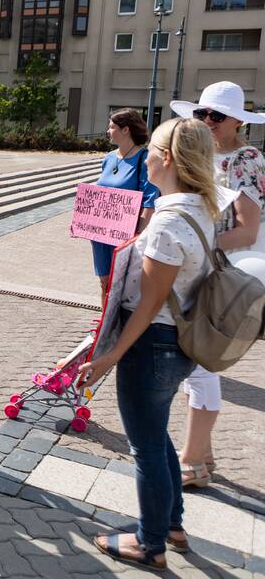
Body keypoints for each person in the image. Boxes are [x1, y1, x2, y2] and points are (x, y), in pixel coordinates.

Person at [78, 117, 218, 571]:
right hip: (174, 343)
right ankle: (172, 525)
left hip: (152, 345)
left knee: (146, 449)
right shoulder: (197, 209)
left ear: (167, 158)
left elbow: (149, 303)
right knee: (157, 439)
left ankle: (150, 542)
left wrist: (110, 356)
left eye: (154, 148)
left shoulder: (169, 221)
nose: (148, 156)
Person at [169, 81, 265, 489]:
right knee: (195, 358)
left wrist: (198, 246)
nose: (207, 121)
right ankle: (202, 453)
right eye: (201, 114)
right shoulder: (199, 156)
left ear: (237, 122)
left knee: (201, 359)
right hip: (197, 266)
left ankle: (191, 461)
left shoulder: (245, 159)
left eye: (216, 116)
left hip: (218, 271)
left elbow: (246, 231)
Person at [92, 109, 159, 298]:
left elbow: (149, 201)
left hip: (127, 235)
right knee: (104, 281)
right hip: (101, 233)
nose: (108, 131)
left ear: (126, 130)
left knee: (122, 284)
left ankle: (119, 326)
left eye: (112, 127)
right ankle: (105, 325)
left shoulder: (144, 159)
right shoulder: (109, 158)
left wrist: (137, 236)